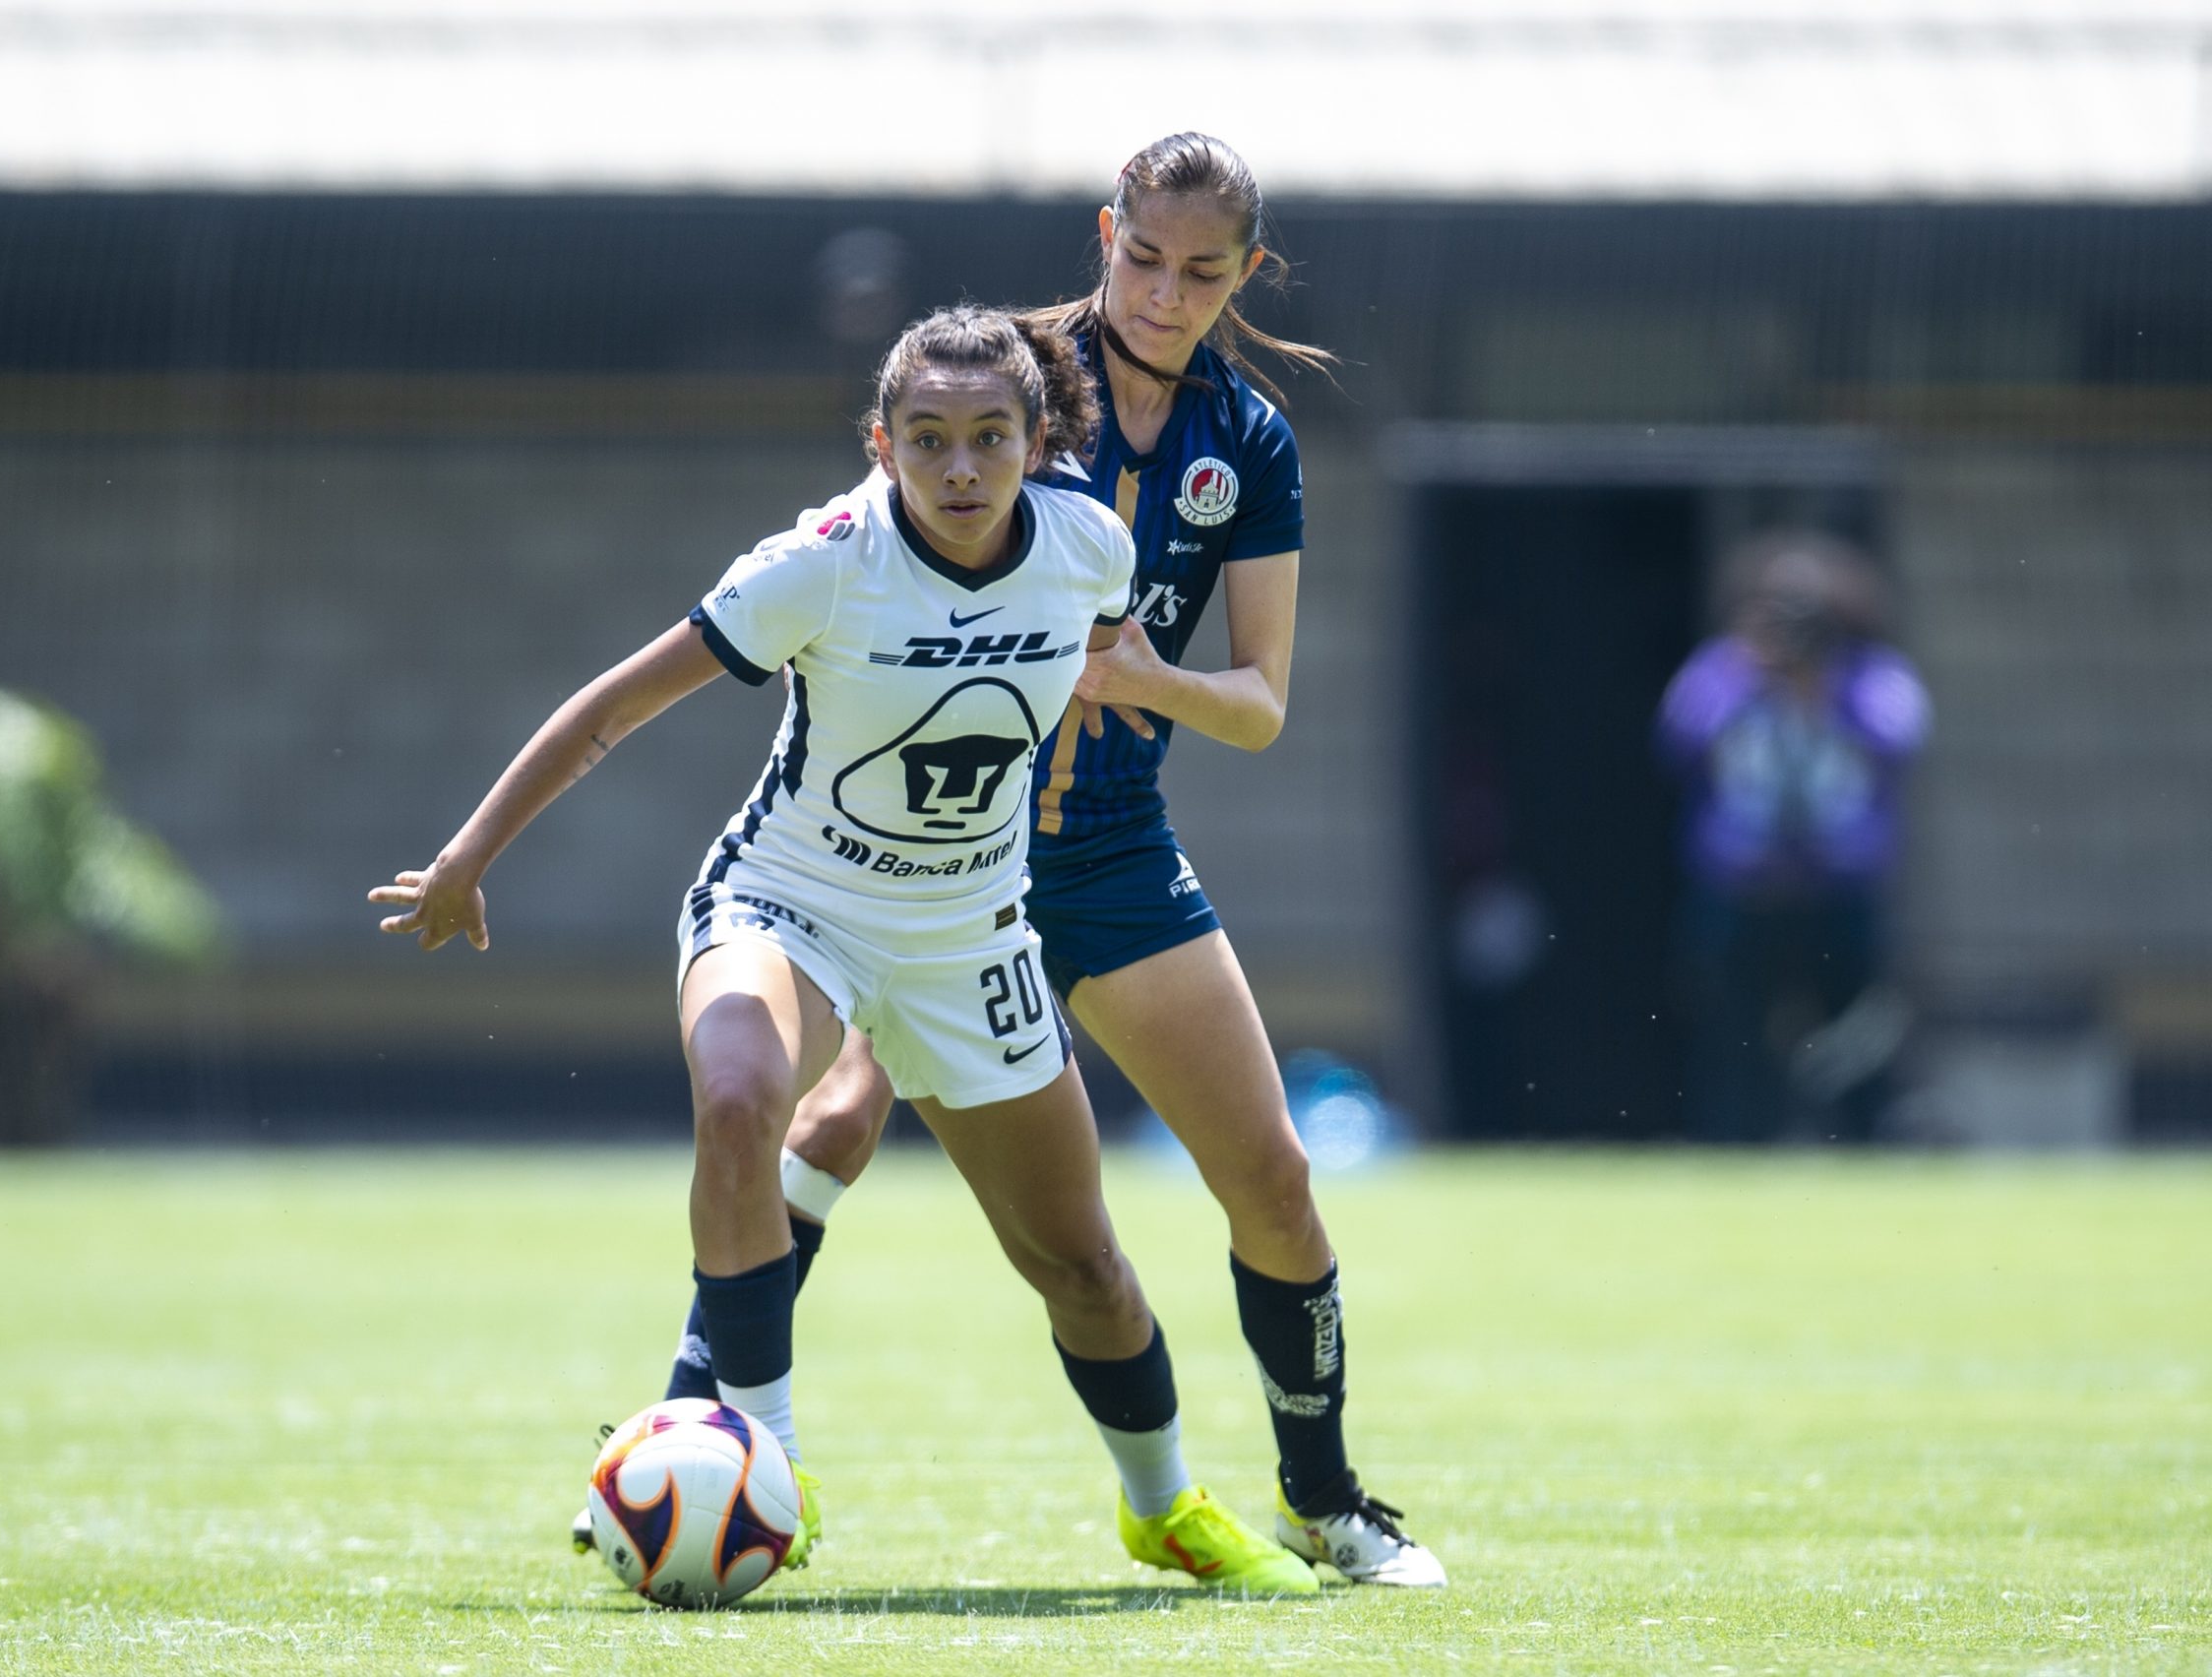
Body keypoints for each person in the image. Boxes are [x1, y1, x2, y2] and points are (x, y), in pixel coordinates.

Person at [600, 133, 1447, 1588]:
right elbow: (875, 560)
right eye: (1143, 258)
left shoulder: (1245, 445)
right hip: (938, 861)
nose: (1166, 294)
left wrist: (1140, 679)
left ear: (1247, 274)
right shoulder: (1006, 387)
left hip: (1113, 855)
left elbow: (1259, 706)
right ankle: (711, 1447)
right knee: (813, 1127)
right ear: (1105, 235)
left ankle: (1327, 1502)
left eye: (1202, 272)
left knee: (1276, 1180)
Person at [373, 303, 1317, 1592]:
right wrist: (471, 855)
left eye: (991, 437)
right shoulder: (819, 563)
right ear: (883, 445)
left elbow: (1101, 673)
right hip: (789, 903)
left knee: (1080, 1264)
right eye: (927, 440)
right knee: (747, 1094)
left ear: (1043, 445)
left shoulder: (1092, 550)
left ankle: (1163, 1509)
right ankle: (769, 1462)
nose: (961, 467)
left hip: (973, 929)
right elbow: (614, 705)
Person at [1658, 530, 1932, 1144]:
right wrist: (1750, 674)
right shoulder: (1723, 670)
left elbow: (1903, 738)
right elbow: (1677, 740)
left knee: (1859, 1039)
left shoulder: (1870, 676)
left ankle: (1866, 1153)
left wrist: (1825, 690)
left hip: (1840, 891)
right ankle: (1734, 1154)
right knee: (1733, 1040)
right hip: (1740, 891)